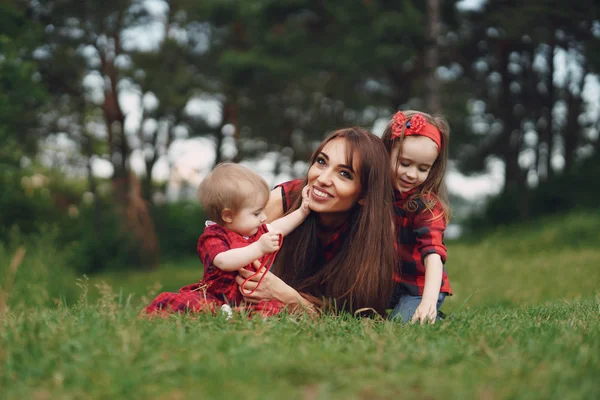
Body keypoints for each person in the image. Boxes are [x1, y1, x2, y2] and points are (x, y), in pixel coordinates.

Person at [235, 127, 397, 317]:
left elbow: (358, 314)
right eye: (321, 162)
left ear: (365, 195)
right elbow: (225, 255)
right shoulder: (283, 201)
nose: (322, 179)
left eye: (344, 174)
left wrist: (288, 297)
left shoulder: (375, 231)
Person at [144, 163, 310, 317]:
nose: (264, 218)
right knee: (192, 303)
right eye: (256, 213)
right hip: (217, 295)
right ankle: (221, 312)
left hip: (249, 298)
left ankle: (237, 314)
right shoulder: (214, 237)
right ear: (228, 215)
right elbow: (224, 261)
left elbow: (280, 227)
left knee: (272, 308)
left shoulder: (255, 232)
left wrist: (302, 211)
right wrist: (259, 248)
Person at [381, 110, 452, 324]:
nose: (412, 174)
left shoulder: (426, 206)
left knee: (403, 322)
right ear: (385, 153)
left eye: (423, 168)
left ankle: (433, 316)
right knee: (349, 310)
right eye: (404, 163)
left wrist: (428, 302)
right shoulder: (375, 195)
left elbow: (433, 255)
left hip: (419, 287)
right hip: (386, 284)